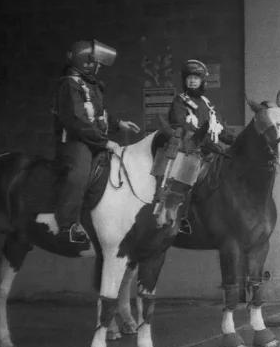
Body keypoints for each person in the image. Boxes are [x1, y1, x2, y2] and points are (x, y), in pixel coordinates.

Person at [53, 40, 140, 244]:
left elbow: (97, 114)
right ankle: (68, 225)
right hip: (77, 142)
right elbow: (77, 121)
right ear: (86, 63)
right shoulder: (68, 85)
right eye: (97, 63)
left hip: (93, 140)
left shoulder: (89, 84)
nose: (99, 67)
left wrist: (119, 123)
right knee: (79, 174)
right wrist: (105, 142)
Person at [152, 59, 234, 231]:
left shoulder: (208, 104)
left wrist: (235, 141)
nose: (192, 81)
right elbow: (181, 124)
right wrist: (206, 142)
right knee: (189, 171)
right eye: (189, 77)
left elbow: (223, 131)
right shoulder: (179, 101)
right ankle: (177, 215)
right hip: (190, 148)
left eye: (196, 78)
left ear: (202, 81)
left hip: (212, 151)